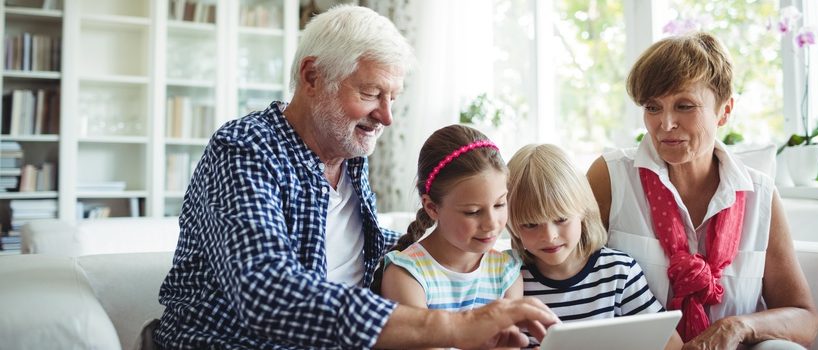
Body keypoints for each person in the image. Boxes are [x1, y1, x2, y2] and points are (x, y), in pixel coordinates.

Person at [154, 5, 556, 349]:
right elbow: (268, 295)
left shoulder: (348, 158)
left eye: (393, 97)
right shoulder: (245, 150)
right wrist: (456, 325)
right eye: (370, 94)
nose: (386, 116)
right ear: (312, 77)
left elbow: (358, 261)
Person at [586, 32, 818, 349]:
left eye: (684, 106)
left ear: (724, 111)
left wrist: (738, 327)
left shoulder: (760, 194)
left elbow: (804, 316)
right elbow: (566, 279)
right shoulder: (610, 176)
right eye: (653, 107)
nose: (665, 123)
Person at [506, 144, 681, 349]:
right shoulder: (505, 276)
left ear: (583, 211)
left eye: (561, 219)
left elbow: (671, 343)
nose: (549, 236)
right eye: (530, 225)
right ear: (511, 224)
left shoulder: (618, 272)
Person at [375, 124, 522, 318]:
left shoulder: (507, 271)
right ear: (432, 207)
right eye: (473, 212)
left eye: (499, 204)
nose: (492, 223)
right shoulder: (406, 274)